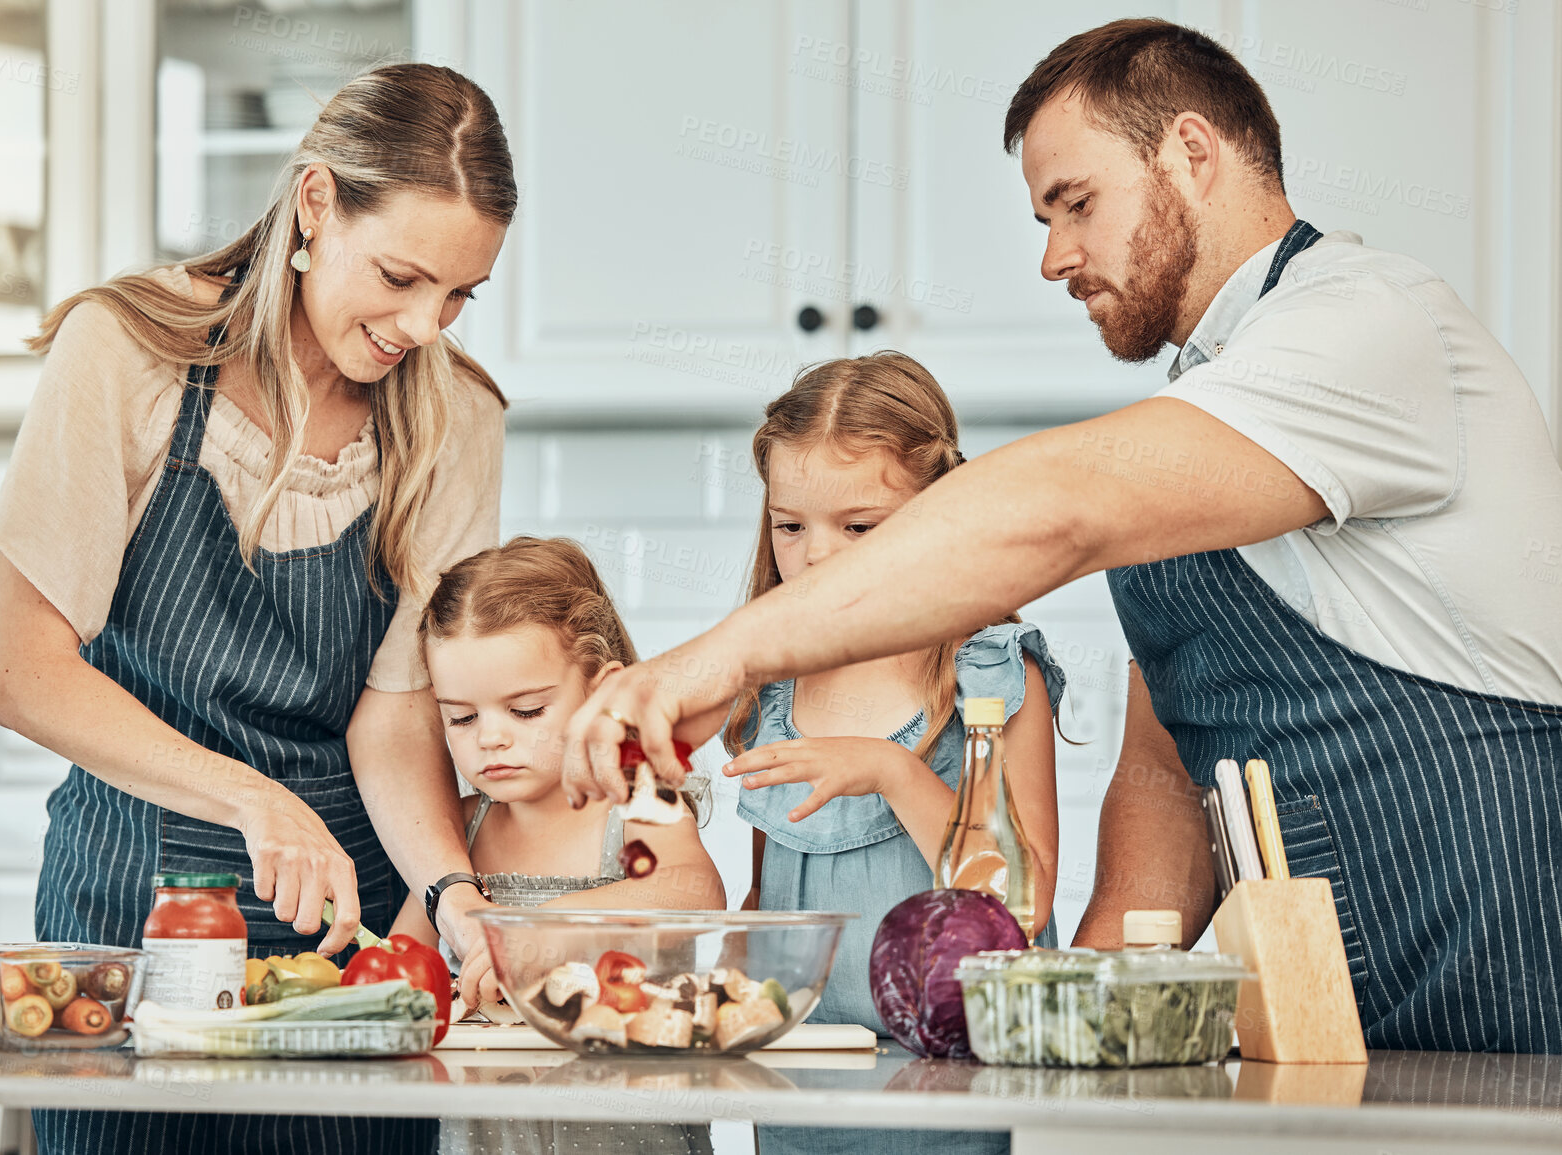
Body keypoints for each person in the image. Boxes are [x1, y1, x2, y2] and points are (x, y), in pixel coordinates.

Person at [562, 18, 1562, 1056]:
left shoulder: (1369, 325)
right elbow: (1169, 761)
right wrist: (1085, 1009)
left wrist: (720, 655)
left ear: (1192, 152)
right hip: (1312, 1022)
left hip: (1490, 974)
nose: (1052, 259)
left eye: (1076, 205)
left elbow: (1058, 506)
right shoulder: (1215, 400)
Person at [0, 63, 515, 1152]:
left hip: (352, 944)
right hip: (135, 910)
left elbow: (398, 714)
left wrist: (454, 894)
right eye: (403, 276)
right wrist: (251, 800)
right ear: (315, 203)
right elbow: (25, 672)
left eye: (459, 295)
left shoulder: (455, 417)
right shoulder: (128, 350)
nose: (424, 324)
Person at [720, 353, 1065, 1038]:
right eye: (790, 525)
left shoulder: (992, 676)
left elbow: (1017, 903)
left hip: (961, 1079)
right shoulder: (770, 686)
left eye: (859, 527)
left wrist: (889, 770)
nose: (817, 556)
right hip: (800, 1075)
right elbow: (766, 898)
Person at [412, 536, 721, 1155]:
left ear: (602, 694)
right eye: (461, 718)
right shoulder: (463, 830)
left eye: (525, 710)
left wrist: (540, 930)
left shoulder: (634, 801)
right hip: (486, 1134)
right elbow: (407, 960)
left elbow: (697, 893)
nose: (490, 740)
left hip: (631, 1133)